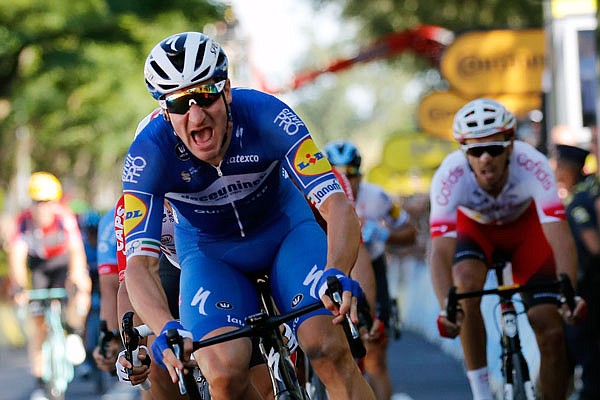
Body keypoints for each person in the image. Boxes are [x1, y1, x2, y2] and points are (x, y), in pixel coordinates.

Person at [121, 31, 375, 400]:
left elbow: (336, 205)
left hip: (286, 234)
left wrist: (336, 269)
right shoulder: (148, 154)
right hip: (211, 255)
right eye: (179, 103)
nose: (195, 114)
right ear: (164, 111)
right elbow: (138, 267)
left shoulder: (265, 114)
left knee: (326, 348)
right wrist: (164, 327)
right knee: (223, 374)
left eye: (205, 95)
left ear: (226, 91)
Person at [429, 98, 587, 400]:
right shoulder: (448, 177)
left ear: (511, 146)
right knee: (464, 287)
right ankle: (481, 392)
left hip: (525, 233)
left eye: (495, 148)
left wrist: (570, 292)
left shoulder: (534, 165)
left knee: (551, 331)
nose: (486, 158)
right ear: (464, 153)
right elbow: (439, 251)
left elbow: (559, 234)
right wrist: (445, 308)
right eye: (476, 151)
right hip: (476, 232)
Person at [324, 139, 417, 400]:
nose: (345, 181)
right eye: (337, 173)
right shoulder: (318, 194)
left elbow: (411, 233)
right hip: (333, 268)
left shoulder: (378, 197)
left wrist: (385, 234)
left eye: (351, 175)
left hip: (372, 268)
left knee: (374, 350)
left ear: (360, 174)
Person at [8, 171, 92, 400]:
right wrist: (19, 287)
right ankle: (40, 382)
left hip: (62, 263)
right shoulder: (23, 222)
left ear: (55, 202)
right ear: (31, 203)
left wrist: (76, 277)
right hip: (39, 267)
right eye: (37, 202)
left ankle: (75, 331)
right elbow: (17, 257)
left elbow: (76, 250)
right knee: (37, 327)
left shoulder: (64, 217)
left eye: (47, 202)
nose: (43, 208)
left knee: (81, 283)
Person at [552, 143, 600, 400]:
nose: (556, 170)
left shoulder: (579, 202)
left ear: (571, 169)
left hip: (588, 288)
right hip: (587, 285)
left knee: (584, 349)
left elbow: (593, 245)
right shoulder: (585, 196)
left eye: (560, 165)